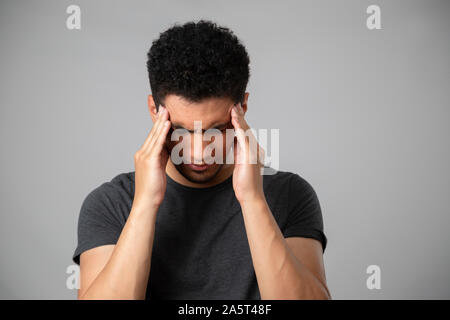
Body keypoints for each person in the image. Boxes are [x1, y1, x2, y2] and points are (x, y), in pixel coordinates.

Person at [72, 19, 330, 300]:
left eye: (216, 130)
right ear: (153, 110)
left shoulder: (289, 195)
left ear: (242, 107)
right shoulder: (111, 203)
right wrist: (146, 203)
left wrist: (252, 199)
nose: (198, 152)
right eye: (181, 130)